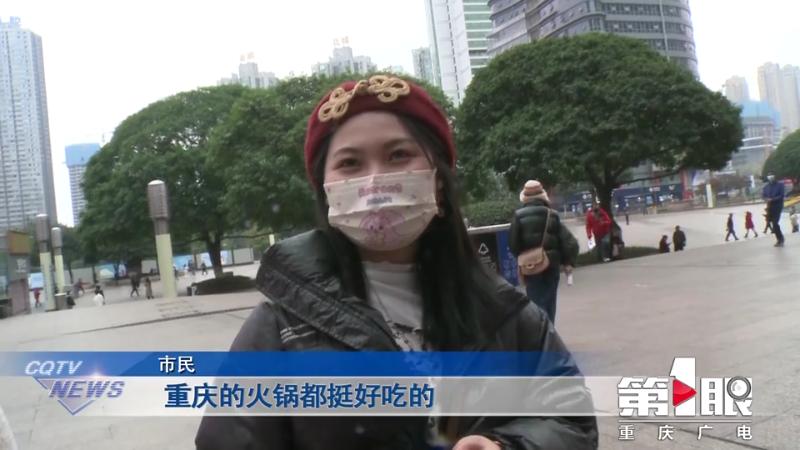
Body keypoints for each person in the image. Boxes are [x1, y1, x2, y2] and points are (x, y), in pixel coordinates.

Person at [195, 75, 597, 449]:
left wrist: (506, 446)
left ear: (439, 179)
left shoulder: (507, 314)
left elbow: (571, 419)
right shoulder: (281, 327)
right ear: (326, 190)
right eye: (350, 163)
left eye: (398, 155)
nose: (375, 182)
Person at [509, 180, 579, 323]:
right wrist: (567, 262)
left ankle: (541, 332)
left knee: (535, 303)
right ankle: (550, 330)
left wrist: (525, 256)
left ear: (525, 197)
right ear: (542, 195)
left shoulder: (518, 216)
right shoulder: (552, 214)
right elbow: (565, 241)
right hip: (551, 264)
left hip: (530, 266)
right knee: (550, 302)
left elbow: (513, 244)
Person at [762, 174, 785, 247]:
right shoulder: (766, 187)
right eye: (769, 176)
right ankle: (779, 238)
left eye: (772, 175)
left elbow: (781, 195)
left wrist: (773, 199)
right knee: (773, 223)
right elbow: (763, 196)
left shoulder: (780, 185)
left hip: (778, 206)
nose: (770, 177)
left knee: (775, 223)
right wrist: (766, 199)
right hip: (769, 207)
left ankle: (780, 239)